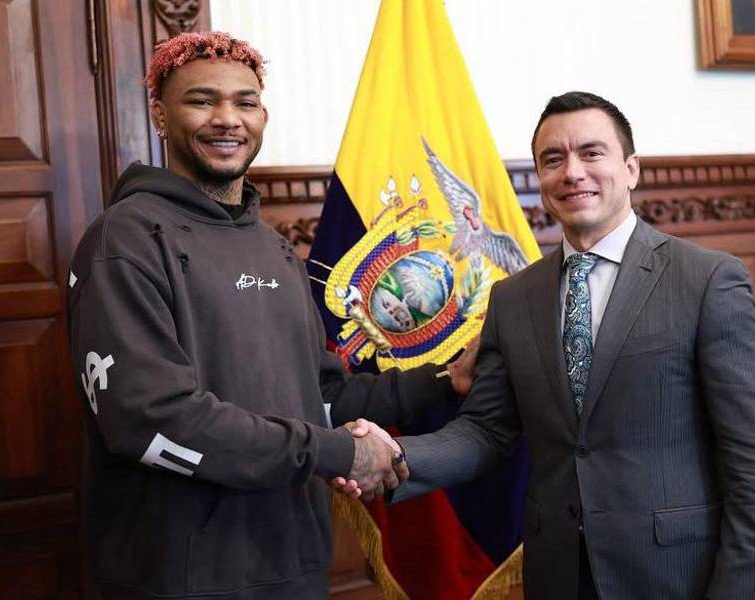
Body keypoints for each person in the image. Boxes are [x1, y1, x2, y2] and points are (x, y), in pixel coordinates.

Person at [66, 31, 473, 600]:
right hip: (181, 577)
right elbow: (152, 420)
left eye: (245, 102)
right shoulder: (124, 239)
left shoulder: (275, 247)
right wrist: (341, 452)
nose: (227, 119)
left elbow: (323, 397)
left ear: (263, 114)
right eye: (202, 100)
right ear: (159, 114)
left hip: (294, 562)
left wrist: (444, 380)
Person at [337, 91, 755, 599]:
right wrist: (396, 455)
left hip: (677, 575)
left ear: (631, 169)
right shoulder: (512, 297)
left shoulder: (706, 281)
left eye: (592, 153)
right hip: (558, 574)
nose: (572, 172)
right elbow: (488, 431)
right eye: (553, 159)